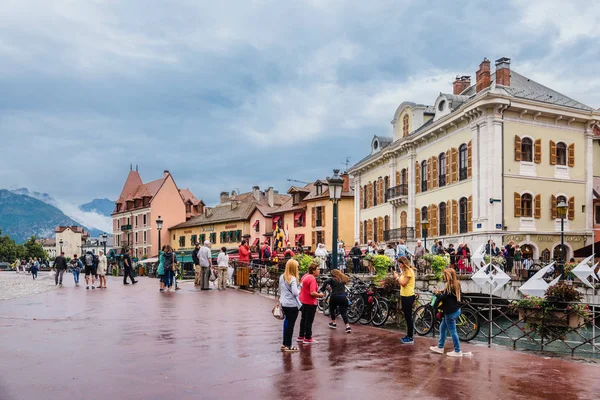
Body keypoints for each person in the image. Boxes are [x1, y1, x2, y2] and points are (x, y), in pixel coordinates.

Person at [430, 268, 463, 357]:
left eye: (445, 275)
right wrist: (442, 292)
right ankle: (440, 347)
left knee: (453, 332)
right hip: (456, 310)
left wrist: (437, 293)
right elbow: (450, 296)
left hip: (450, 312)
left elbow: (443, 298)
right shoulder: (456, 284)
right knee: (442, 328)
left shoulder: (450, 286)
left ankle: (457, 350)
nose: (444, 277)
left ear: (448, 276)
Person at [298, 263, 325, 344]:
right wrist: (320, 295)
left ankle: (301, 335)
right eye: (318, 269)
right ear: (313, 271)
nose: (319, 271)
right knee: (309, 320)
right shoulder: (312, 279)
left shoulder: (304, 276)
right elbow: (312, 292)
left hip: (303, 300)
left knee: (303, 319)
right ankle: (308, 337)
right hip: (310, 302)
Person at [279, 259, 302, 352]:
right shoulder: (292, 278)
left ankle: (285, 343)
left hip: (284, 303)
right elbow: (295, 293)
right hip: (292, 305)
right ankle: (289, 345)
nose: (297, 268)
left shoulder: (282, 277)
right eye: (297, 267)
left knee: (286, 323)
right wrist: (301, 287)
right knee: (291, 326)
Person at [393, 256, 416, 344]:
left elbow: (403, 283)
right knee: (407, 317)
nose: (399, 266)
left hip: (408, 296)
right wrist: (398, 276)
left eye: (400, 264)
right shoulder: (405, 272)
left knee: (408, 317)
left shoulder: (409, 271)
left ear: (403, 263)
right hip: (405, 295)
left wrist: (396, 277)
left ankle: (410, 337)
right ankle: (409, 335)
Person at [320, 269, 351, 333]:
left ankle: (333, 322)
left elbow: (326, 281)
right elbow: (348, 279)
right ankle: (347, 326)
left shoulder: (331, 279)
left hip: (335, 296)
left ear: (332, 275)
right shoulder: (342, 278)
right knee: (343, 312)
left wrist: (322, 290)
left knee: (331, 309)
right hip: (343, 296)